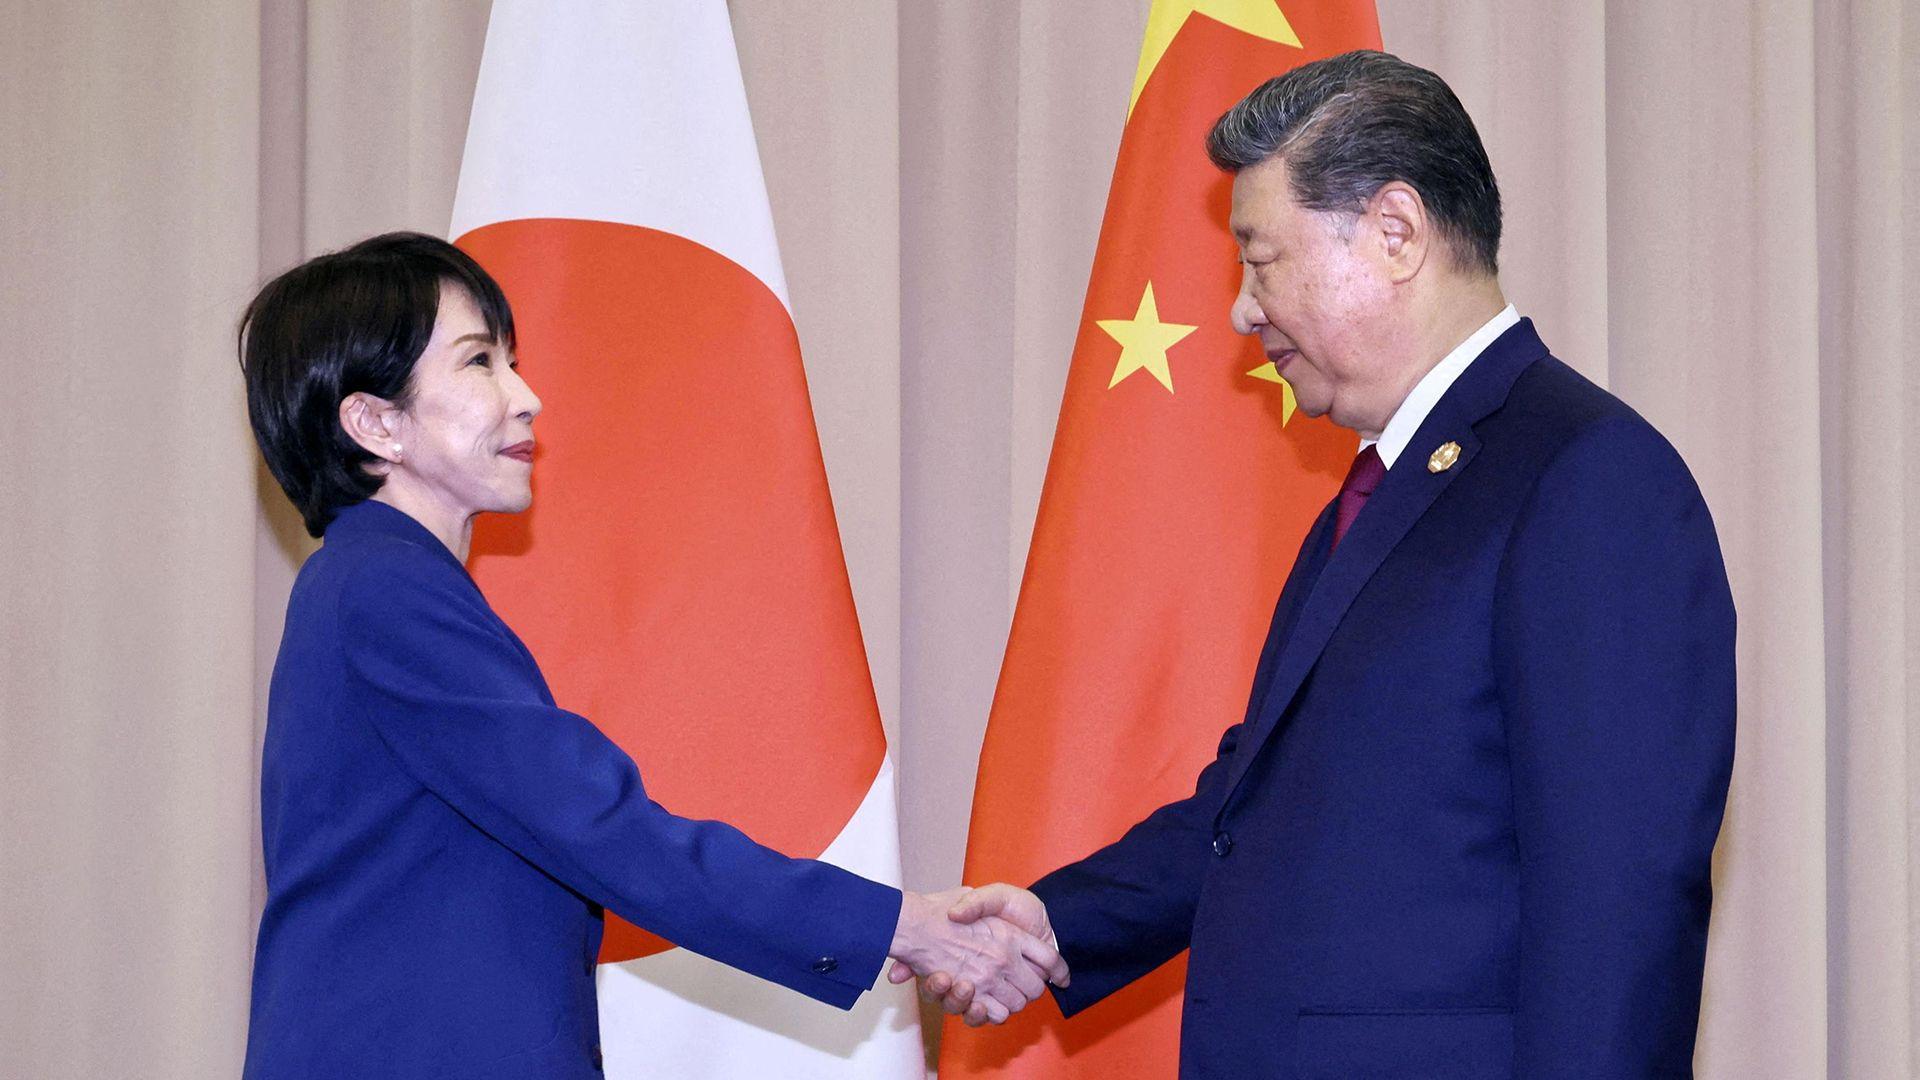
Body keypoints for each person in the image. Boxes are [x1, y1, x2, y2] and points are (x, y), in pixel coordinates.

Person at [919, 50, 1736, 1077]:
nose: (1242, 312)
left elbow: (1621, 899)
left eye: (1260, 260)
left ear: (1394, 234)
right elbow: (1256, 806)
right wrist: (1050, 924)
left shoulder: (1587, 476)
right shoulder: (1379, 495)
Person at [236, 232, 1065, 1079]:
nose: (527, 398)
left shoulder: (372, 584)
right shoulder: (383, 588)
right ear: (376, 422)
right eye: (480, 362)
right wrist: (904, 927)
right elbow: (601, 827)